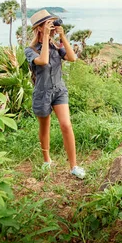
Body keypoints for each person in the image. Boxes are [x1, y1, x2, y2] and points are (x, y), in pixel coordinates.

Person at [24, 10, 86, 179]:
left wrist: (62, 37)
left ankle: (73, 166)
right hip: (42, 93)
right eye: (48, 25)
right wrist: (44, 37)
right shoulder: (30, 50)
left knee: (66, 125)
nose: (51, 28)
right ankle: (47, 160)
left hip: (59, 91)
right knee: (44, 128)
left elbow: (73, 58)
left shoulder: (56, 47)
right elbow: (43, 61)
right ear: (39, 29)